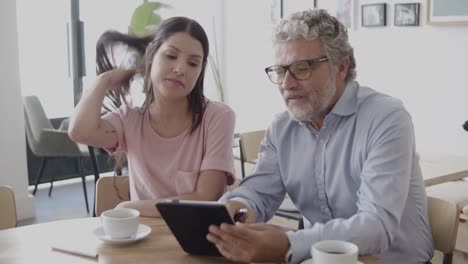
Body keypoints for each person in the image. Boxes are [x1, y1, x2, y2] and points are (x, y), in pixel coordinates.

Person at [207, 9, 434, 264]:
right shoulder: (282, 128)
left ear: (341, 67)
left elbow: (376, 227)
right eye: (280, 71)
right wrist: (240, 206)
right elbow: (258, 191)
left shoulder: (386, 118)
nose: (287, 84)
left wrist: (289, 244)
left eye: (301, 68)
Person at [68, 17, 236, 217]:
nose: (180, 69)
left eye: (192, 63)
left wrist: (131, 207)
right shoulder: (129, 120)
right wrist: (103, 81)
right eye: (171, 56)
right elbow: (79, 131)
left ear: (200, 71)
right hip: (142, 239)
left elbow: (207, 197)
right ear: (151, 54)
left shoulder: (217, 117)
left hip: (198, 238)